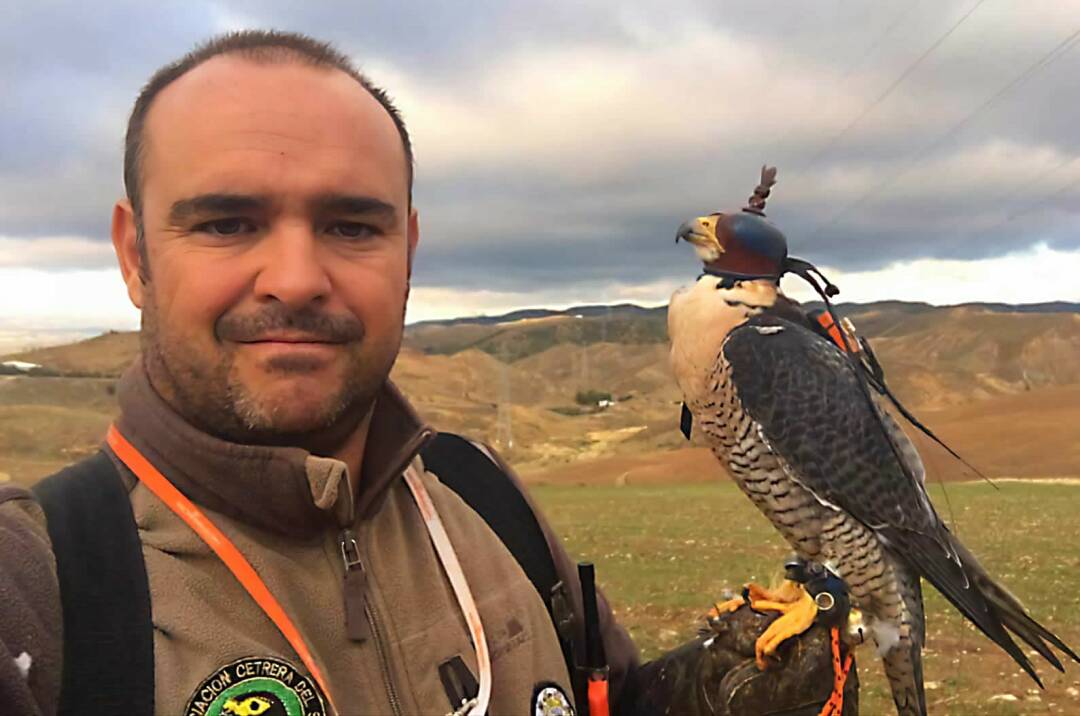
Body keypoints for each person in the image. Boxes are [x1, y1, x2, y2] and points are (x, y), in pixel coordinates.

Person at [0, 31, 856, 716]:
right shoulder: (39, 591)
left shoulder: (482, 495)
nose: (296, 278)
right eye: (227, 223)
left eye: (351, 227)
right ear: (134, 253)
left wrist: (713, 697)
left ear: (407, 251)